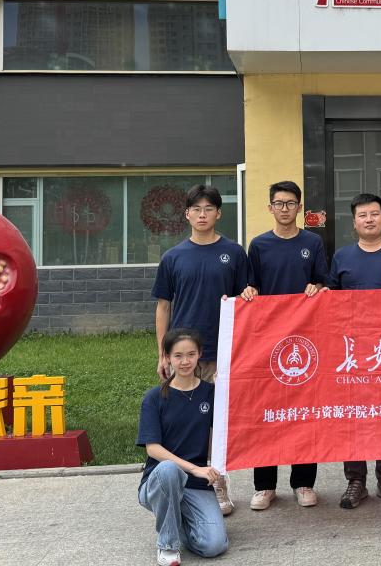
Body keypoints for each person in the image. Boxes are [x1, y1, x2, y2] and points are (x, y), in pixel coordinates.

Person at [152, 184, 248, 516]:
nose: (203, 214)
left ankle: (218, 484)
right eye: (196, 209)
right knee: (186, 422)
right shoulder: (173, 257)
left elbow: (245, 301)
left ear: (219, 213)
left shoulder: (234, 253)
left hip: (223, 354)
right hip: (184, 356)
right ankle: (185, 484)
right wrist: (163, 354)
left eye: (209, 209)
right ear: (187, 214)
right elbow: (163, 307)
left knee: (217, 424)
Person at [325, 192, 381, 510]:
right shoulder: (342, 257)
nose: (369, 219)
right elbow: (330, 301)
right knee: (352, 416)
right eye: (363, 215)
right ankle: (355, 481)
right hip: (352, 353)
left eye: (374, 214)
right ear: (354, 222)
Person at [240, 180, 328, 511]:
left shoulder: (312, 242)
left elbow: (325, 282)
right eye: (279, 203)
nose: (285, 209)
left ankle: (303, 483)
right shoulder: (259, 245)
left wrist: (317, 287)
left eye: (291, 203)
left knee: (305, 412)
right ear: (270, 208)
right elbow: (251, 286)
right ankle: (265, 486)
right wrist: (249, 291)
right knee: (267, 412)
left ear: (299, 207)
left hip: (306, 339)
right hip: (267, 340)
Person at [137, 328, 228, 566]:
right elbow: (153, 449)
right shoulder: (154, 398)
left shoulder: (211, 393)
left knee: (214, 545)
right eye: (178, 355)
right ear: (167, 357)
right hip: (159, 480)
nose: (185, 361)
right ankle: (168, 545)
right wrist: (195, 468)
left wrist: (227, 386)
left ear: (200, 355)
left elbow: (228, 429)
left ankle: (176, 521)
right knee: (169, 469)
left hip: (196, 484)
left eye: (191, 354)